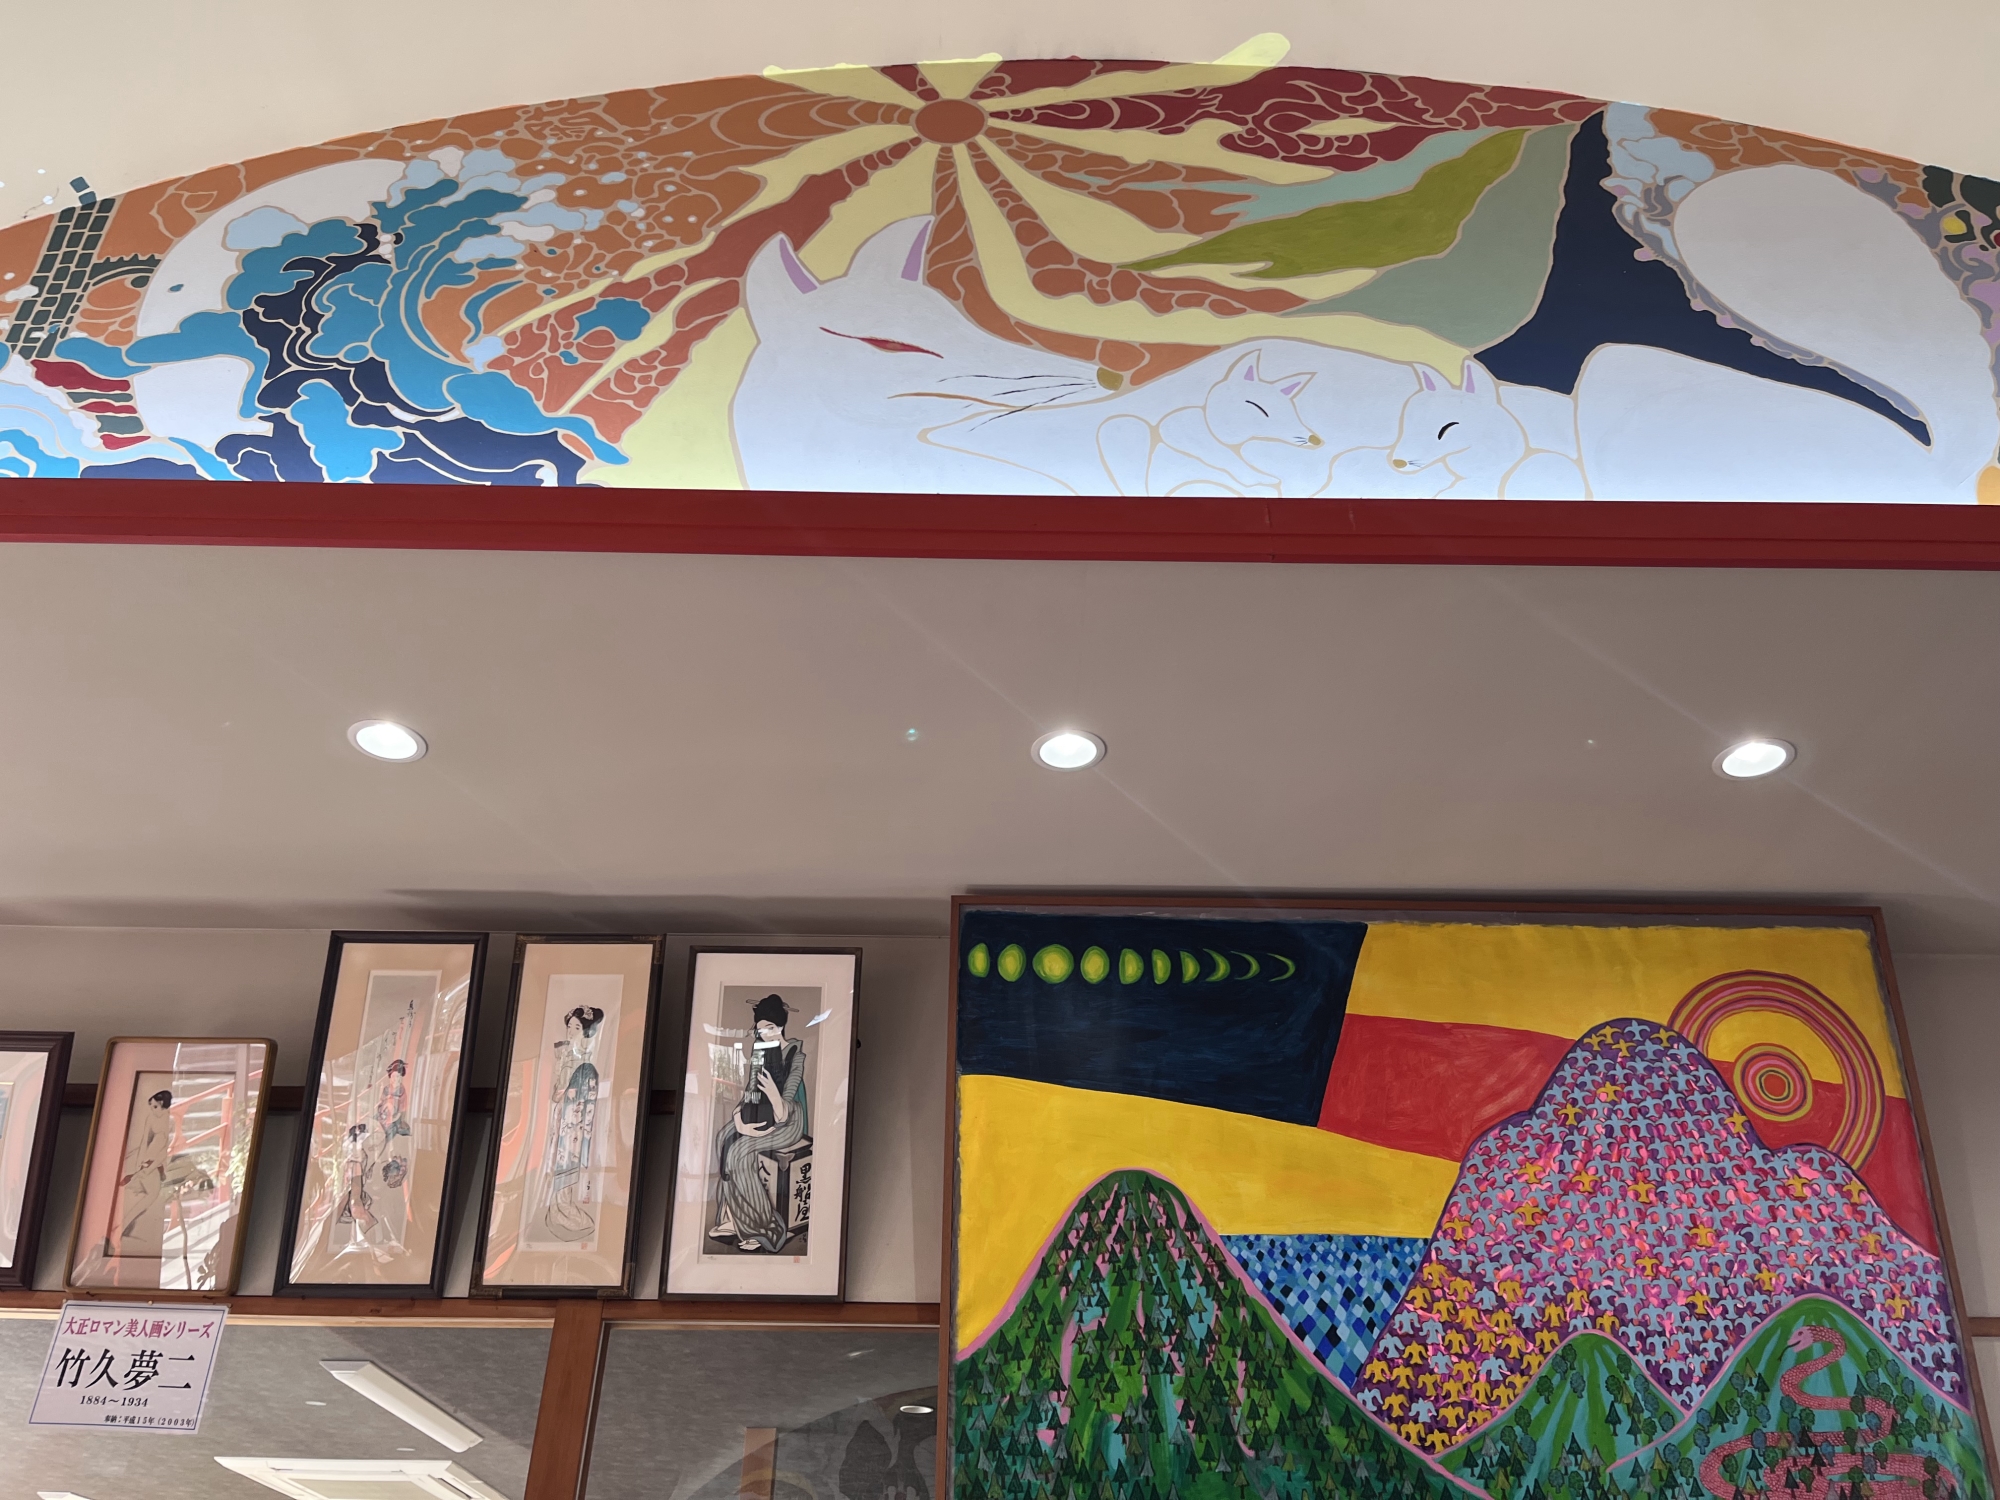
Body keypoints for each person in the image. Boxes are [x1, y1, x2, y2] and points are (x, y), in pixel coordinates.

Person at [709, 994, 809, 1253]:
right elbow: (750, 1091)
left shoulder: (795, 1054)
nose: (765, 1034)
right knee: (723, 1138)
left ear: (781, 1026)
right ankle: (733, 1217)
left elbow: (786, 1107)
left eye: (770, 1028)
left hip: (788, 1119)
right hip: (759, 1111)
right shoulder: (760, 1049)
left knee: (740, 1152)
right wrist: (739, 1120)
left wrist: (773, 1094)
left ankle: (761, 1227)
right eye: (761, 1029)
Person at [540, 1006, 604, 1242]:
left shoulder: (587, 1061)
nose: (571, 1031)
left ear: (586, 1031)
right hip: (565, 1117)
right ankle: (558, 1210)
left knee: (569, 1161)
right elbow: (557, 1094)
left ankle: (564, 1207)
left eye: (577, 1027)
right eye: (569, 1026)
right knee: (561, 1160)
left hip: (576, 1120)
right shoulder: (566, 1057)